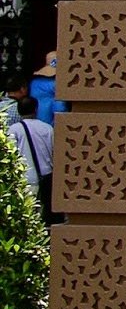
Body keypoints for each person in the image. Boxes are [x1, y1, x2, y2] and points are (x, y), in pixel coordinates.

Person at [9, 95, 55, 224]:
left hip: (25, 178)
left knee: (27, 216)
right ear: (36, 109)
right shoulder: (47, 128)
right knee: (44, 216)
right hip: (46, 177)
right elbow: (54, 151)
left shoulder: (14, 130)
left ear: (19, 111)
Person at [29, 50, 66, 126]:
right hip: (49, 124)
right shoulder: (56, 84)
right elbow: (60, 108)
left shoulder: (34, 83)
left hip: (33, 123)